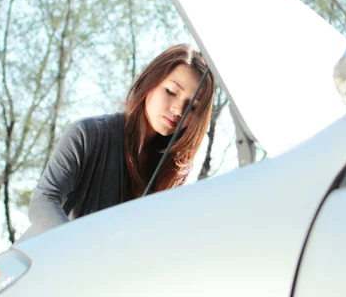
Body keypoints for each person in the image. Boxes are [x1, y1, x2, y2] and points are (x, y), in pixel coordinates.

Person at [19, 44, 215, 241]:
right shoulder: (87, 134)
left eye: (192, 106)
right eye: (171, 92)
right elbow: (43, 202)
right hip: (41, 264)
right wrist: (77, 251)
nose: (178, 110)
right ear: (150, 82)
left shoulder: (173, 174)